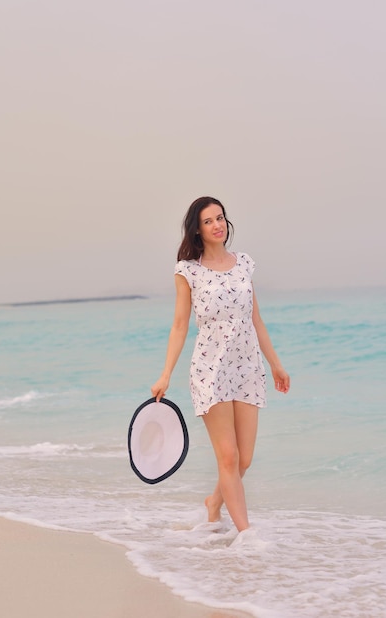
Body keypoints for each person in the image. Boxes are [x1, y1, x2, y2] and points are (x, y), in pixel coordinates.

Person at [151, 196, 290, 533]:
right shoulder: (189, 271)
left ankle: (214, 502)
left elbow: (255, 319)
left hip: (247, 368)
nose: (218, 225)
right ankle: (247, 534)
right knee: (227, 458)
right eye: (209, 221)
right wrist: (165, 374)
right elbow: (180, 325)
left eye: (221, 218)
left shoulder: (243, 263)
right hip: (209, 371)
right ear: (197, 230)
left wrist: (275, 364)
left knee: (244, 460)